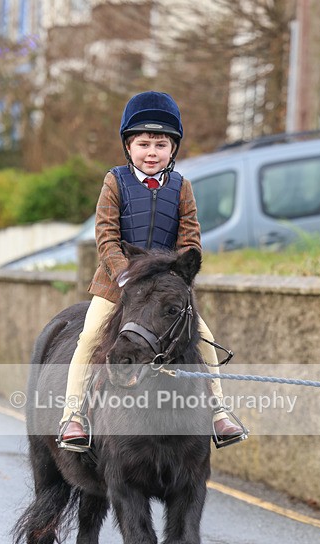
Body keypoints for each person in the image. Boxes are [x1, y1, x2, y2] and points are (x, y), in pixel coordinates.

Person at [57, 91, 247, 451]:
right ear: (129, 146)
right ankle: (74, 416)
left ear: (172, 149)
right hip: (117, 285)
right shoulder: (115, 182)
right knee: (87, 339)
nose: (151, 152)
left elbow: (190, 238)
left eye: (160, 144)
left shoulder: (182, 187)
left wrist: (176, 277)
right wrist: (125, 275)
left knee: (204, 339)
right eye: (143, 143)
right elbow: (106, 236)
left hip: (164, 288)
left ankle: (220, 412)